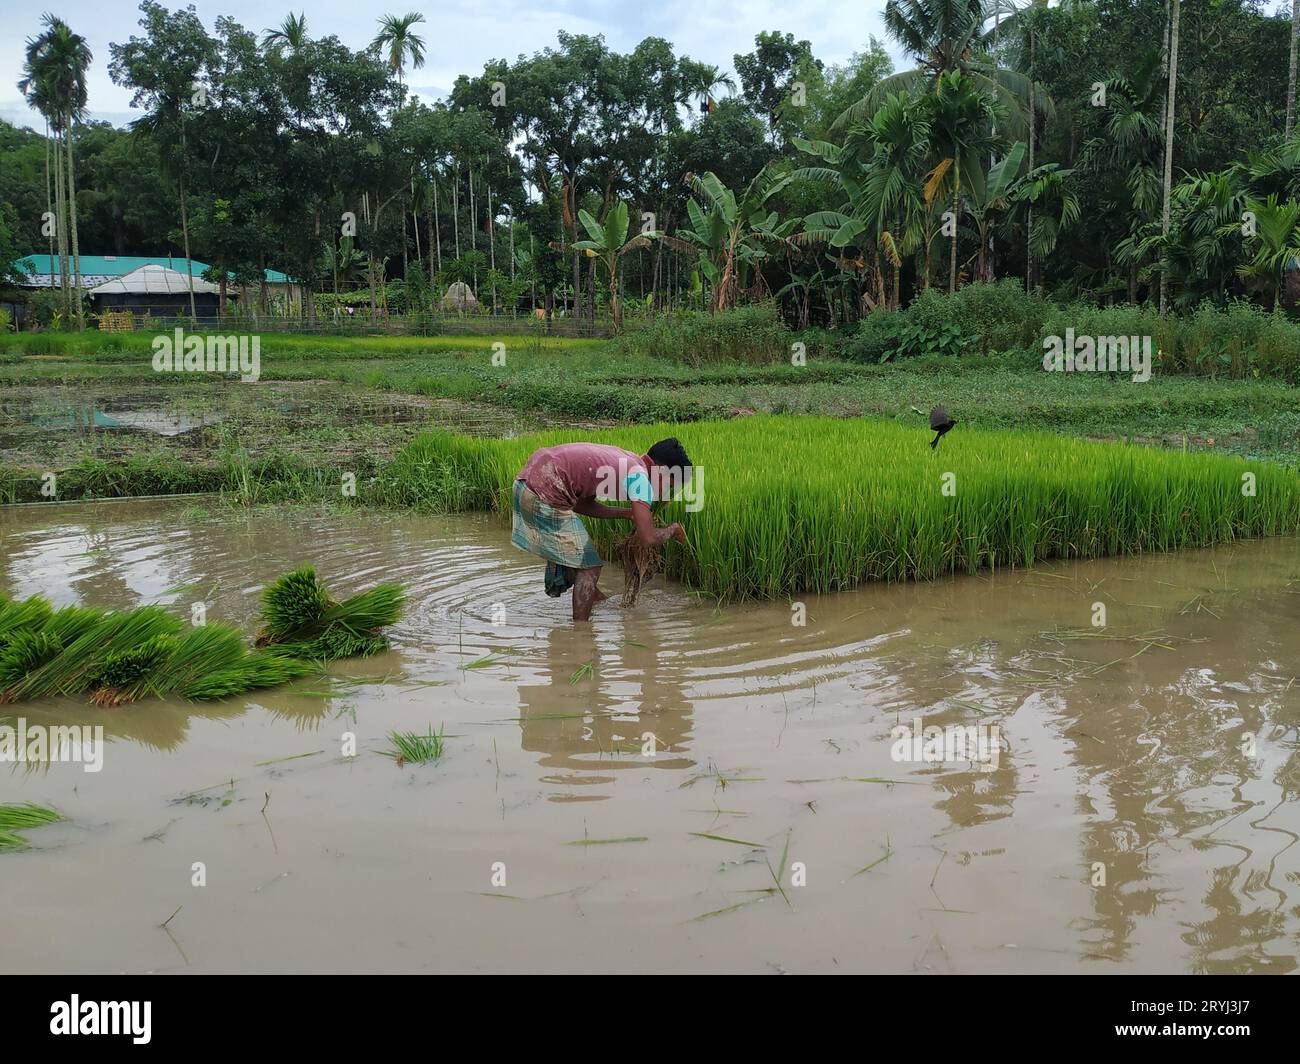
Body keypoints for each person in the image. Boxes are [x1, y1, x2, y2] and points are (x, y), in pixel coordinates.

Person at [511, 438, 691, 621]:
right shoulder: (641, 478)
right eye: (669, 485)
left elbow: (581, 504)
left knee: (580, 559)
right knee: (590, 567)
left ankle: (596, 602)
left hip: (525, 485)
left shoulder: (627, 461)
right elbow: (647, 538)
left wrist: (628, 514)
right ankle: (580, 634)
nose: (664, 493)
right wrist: (673, 530)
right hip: (545, 492)